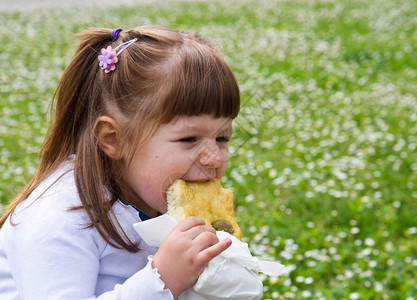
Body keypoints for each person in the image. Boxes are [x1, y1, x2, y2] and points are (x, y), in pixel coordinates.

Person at [0, 25, 240, 299]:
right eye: (189, 139)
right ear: (113, 139)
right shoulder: (58, 218)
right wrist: (163, 278)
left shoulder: (151, 191)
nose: (215, 158)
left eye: (222, 138)